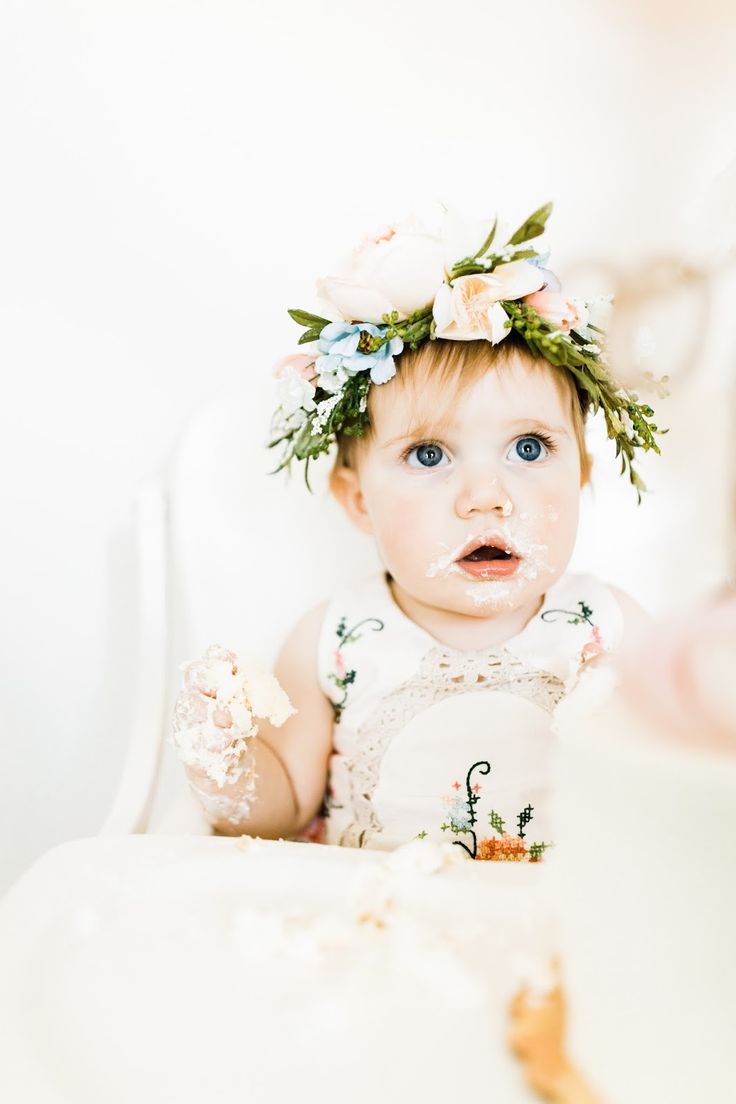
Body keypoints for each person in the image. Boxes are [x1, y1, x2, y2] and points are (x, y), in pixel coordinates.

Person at [175, 201, 666, 860]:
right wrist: (226, 763)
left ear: (579, 471)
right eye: (429, 455)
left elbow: (678, 794)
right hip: (386, 931)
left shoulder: (608, 629)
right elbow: (279, 815)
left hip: (558, 935)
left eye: (527, 448)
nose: (486, 499)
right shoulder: (333, 641)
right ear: (358, 501)